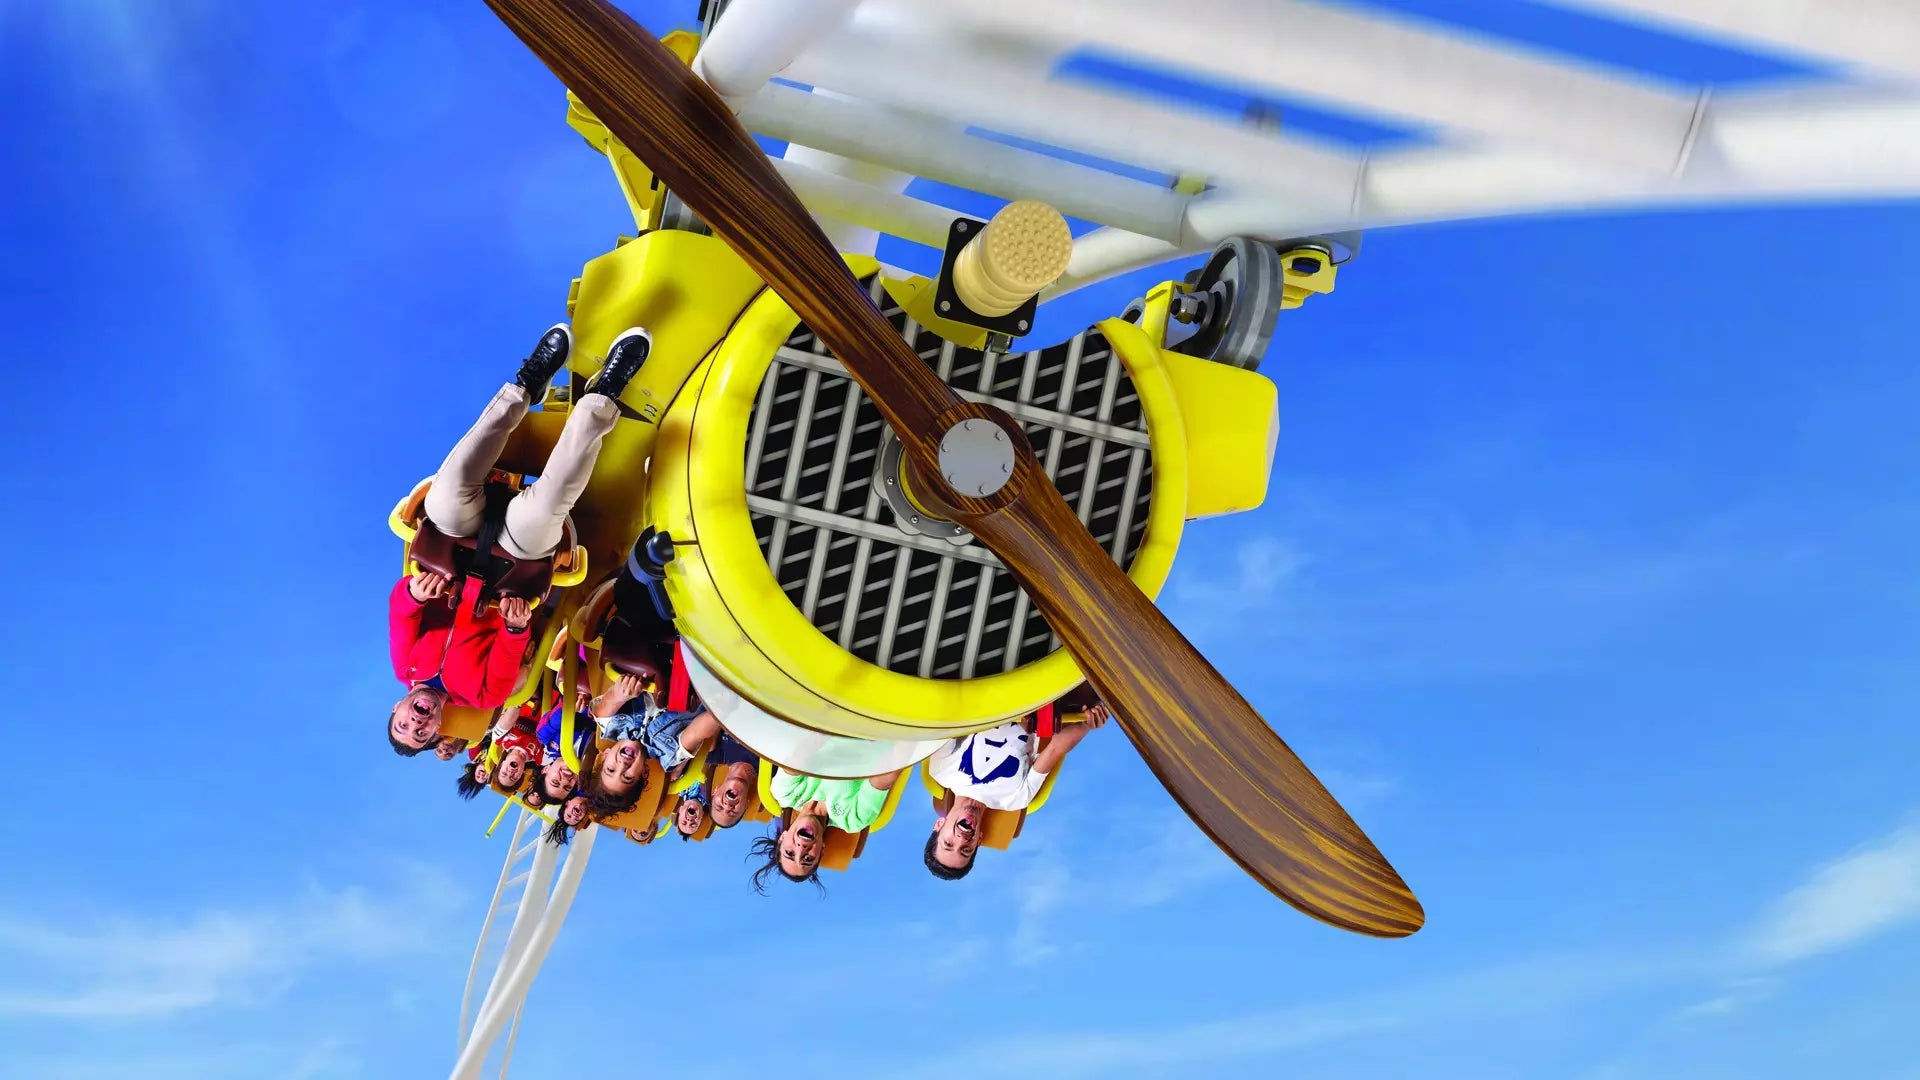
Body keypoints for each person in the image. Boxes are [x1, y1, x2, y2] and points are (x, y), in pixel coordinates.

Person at [386, 322, 654, 755]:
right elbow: (508, 657)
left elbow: (401, 612)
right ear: (437, 728)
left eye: (403, 723)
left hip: (456, 548)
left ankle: (527, 384)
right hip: (508, 567)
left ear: (398, 707)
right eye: (421, 732)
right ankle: (603, 396)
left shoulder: (405, 666)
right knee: (547, 506)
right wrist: (513, 626)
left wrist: (415, 594)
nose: (416, 722)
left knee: (446, 492)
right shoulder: (481, 697)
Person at [923, 702, 1110, 880]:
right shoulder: (1016, 799)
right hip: (1036, 700)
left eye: (948, 844)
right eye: (966, 849)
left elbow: (953, 712)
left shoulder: (941, 771)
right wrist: (1086, 725)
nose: (961, 839)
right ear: (978, 839)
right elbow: (1055, 749)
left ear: (939, 825)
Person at [581, 672, 721, 819]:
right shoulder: (669, 756)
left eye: (611, 769)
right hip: (699, 684)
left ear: (604, 756)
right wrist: (718, 714)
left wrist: (620, 693)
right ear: (643, 773)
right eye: (627, 777)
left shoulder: (610, 724)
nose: (622, 765)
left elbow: (607, 704)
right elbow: (697, 732)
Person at [748, 766, 904, 893]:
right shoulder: (853, 819)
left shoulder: (784, 794)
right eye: (808, 859)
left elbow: (800, 752)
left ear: (783, 837)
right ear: (822, 850)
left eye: (790, 853)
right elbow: (884, 776)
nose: (801, 848)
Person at [709, 731, 760, 829]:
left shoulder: (714, 752)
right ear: (746, 805)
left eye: (719, 807)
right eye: (732, 812)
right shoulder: (774, 771)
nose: (727, 806)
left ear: (715, 792)